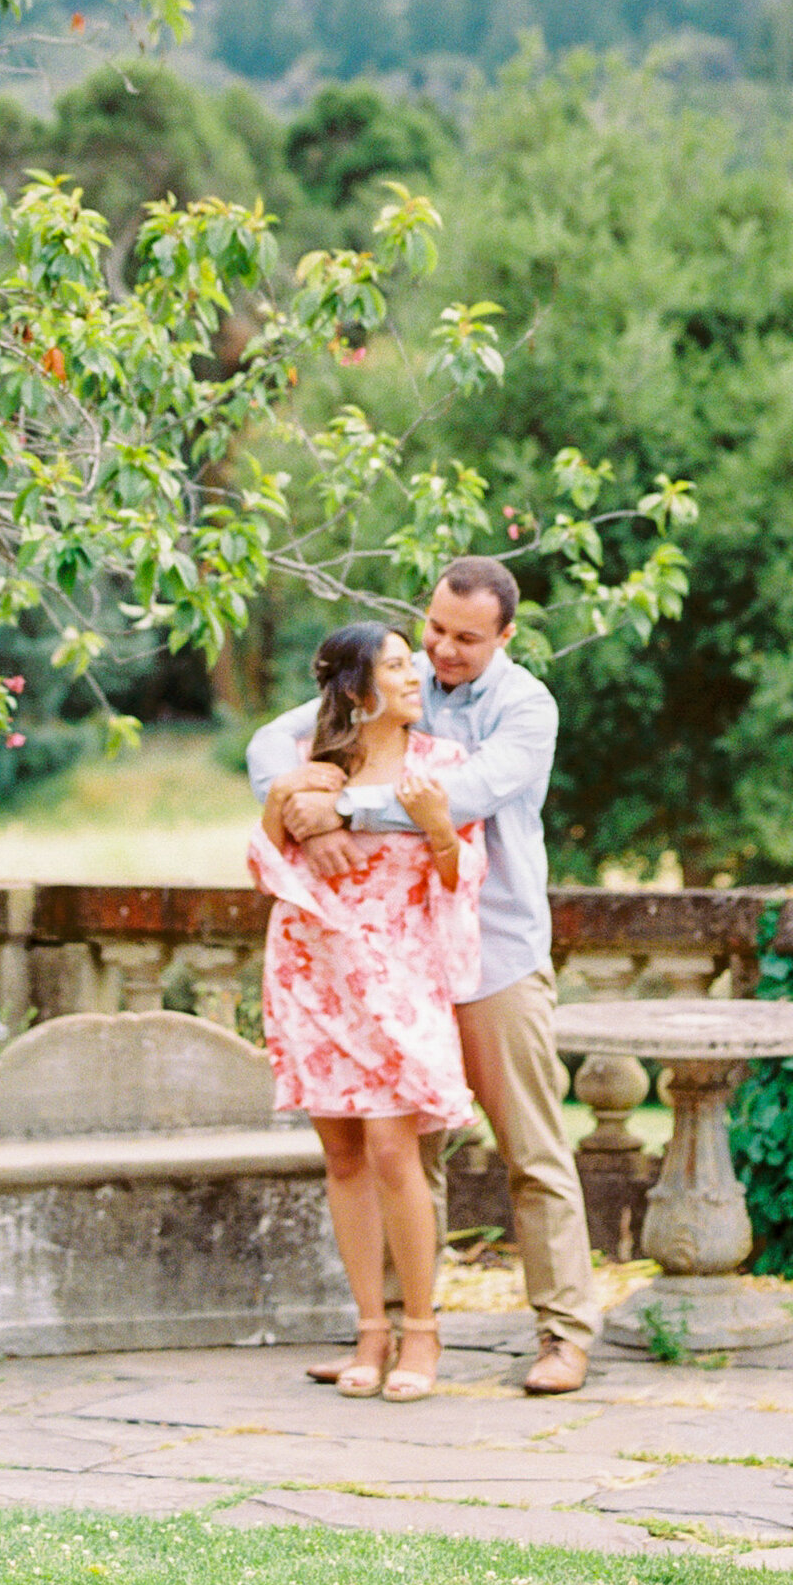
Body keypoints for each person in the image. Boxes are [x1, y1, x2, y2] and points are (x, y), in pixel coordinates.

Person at [249, 556, 601, 1396]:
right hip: (391, 965)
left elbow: (465, 796)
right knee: (400, 1154)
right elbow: (273, 741)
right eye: (435, 630)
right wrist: (298, 798)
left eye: (465, 640)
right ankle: (400, 1332)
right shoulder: (395, 678)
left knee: (531, 1149)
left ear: (505, 636)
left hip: (493, 954)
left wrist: (342, 809)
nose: (442, 650)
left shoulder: (526, 707)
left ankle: (564, 1335)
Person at [250, 621, 485, 1402]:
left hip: (400, 971)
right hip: (316, 970)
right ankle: (368, 1331)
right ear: (357, 690)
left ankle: (422, 1331)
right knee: (343, 1154)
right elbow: (266, 859)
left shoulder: (441, 766)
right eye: (395, 666)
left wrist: (439, 827)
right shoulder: (307, 771)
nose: (416, 676)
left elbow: (461, 874)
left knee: (393, 1148)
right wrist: (296, 821)